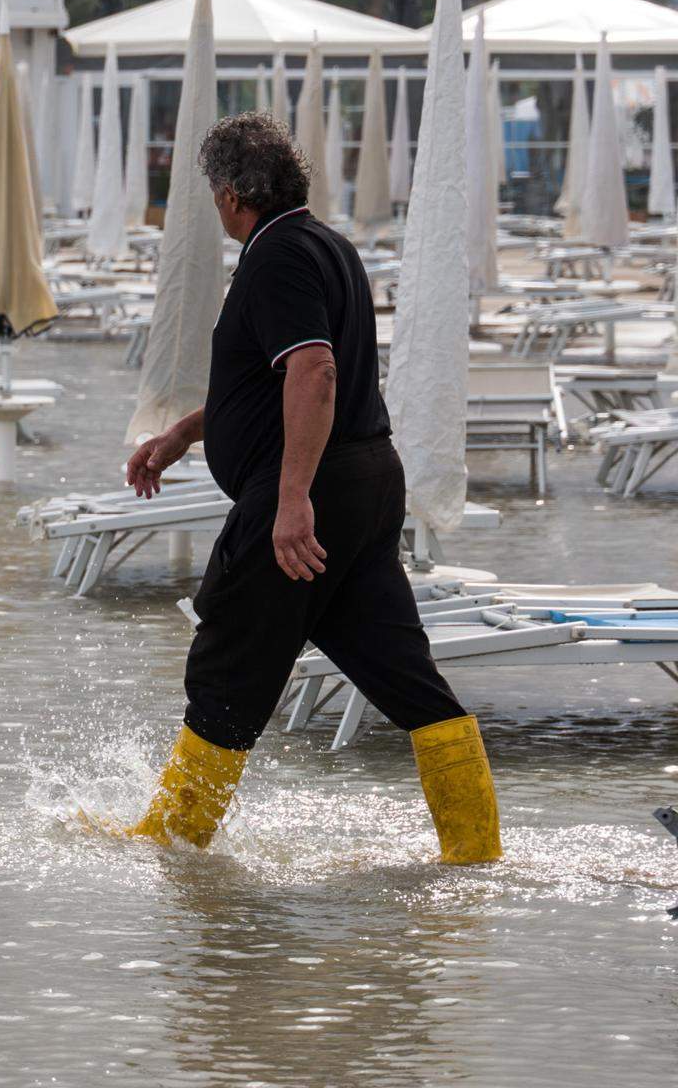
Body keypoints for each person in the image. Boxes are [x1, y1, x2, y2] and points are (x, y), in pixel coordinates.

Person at [120, 112, 500, 864]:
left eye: (212, 193)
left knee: (226, 664)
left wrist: (293, 500)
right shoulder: (327, 245)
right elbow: (273, 382)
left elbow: (316, 372)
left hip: (314, 490)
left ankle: (174, 847)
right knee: (402, 675)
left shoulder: (278, 258)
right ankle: (475, 850)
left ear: (231, 194)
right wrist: (182, 435)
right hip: (366, 480)